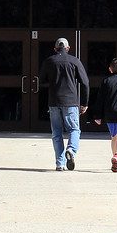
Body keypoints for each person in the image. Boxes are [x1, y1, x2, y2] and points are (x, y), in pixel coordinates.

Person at [39, 37, 89, 171]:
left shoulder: (49, 61)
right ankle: (71, 150)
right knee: (74, 129)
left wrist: (53, 83)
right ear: (68, 48)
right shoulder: (74, 61)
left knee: (56, 132)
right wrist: (84, 103)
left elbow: (41, 80)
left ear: (55, 49)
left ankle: (59, 164)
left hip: (54, 101)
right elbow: (85, 83)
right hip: (71, 101)